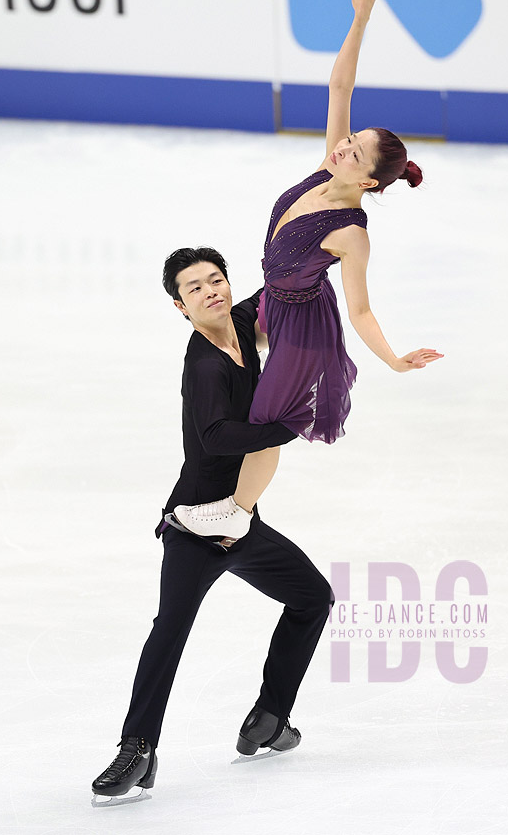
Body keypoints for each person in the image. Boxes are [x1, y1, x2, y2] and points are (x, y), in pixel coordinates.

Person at [173, 0, 443, 543]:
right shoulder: (329, 164)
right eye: (349, 140)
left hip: (302, 326)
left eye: (354, 153)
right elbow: (340, 86)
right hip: (272, 299)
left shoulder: (351, 232)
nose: (343, 147)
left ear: (368, 182)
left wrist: (393, 360)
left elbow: (361, 310)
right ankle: (216, 472)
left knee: (267, 420)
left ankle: (236, 513)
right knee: (232, 369)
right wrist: (361, 16)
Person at [91, 247, 334, 807]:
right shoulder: (204, 365)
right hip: (197, 525)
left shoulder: (242, 323)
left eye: (215, 280)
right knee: (169, 631)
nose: (210, 292)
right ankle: (137, 748)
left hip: (240, 520)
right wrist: (286, 427)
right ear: (181, 306)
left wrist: (323, 236)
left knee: (312, 598)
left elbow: (282, 285)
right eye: (194, 288)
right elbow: (216, 437)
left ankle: (270, 717)